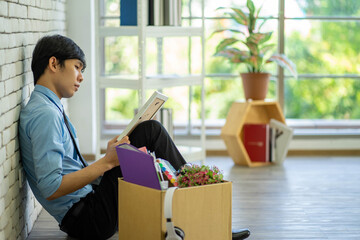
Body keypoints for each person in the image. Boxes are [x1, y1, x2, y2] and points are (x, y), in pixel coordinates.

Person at [19, 34, 249, 240]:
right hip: (88, 219)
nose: (80, 77)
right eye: (77, 67)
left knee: (141, 137)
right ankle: (205, 216)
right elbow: (51, 187)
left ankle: (192, 214)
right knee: (150, 131)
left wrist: (108, 159)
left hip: (88, 209)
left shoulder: (49, 108)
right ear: (53, 63)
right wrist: (107, 162)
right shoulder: (45, 115)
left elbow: (66, 172)